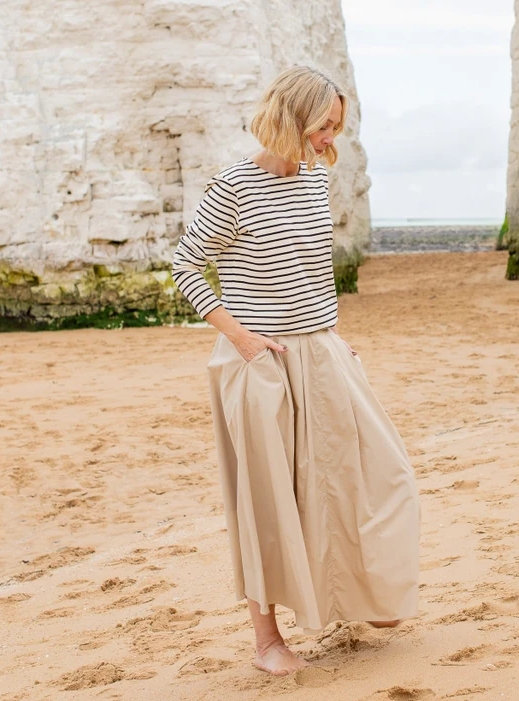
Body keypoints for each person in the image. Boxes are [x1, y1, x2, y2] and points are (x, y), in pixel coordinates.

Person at [171, 65, 420, 677]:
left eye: (336, 127)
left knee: (371, 476)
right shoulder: (233, 187)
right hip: (260, 363)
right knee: (269, 502)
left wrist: (335, 338)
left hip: (322, 351)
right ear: (292, 116)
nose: (330, 139)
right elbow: (184, 267)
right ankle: (267, 643)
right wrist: (244, 341)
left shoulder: (313, 182)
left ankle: (363, 596)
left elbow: (311, 275)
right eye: (323, 126)